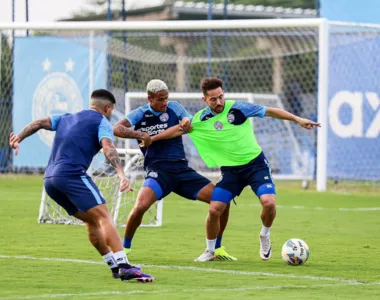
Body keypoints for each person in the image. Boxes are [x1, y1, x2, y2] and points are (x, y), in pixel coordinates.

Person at [154, 77, 320, 262]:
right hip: (231, 172)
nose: (219, 102)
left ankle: (264, 235)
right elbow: (178, 130)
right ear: (204, 100)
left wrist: (297, 119)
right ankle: (210, 251)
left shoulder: (238, 108)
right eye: (213, 99)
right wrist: (152, 139)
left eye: (221, 97)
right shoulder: (201, 119)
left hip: (256, 165)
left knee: (269, 203)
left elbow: (271, 112)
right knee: (215, 209)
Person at [9, 89, 154, 282]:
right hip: (71, 175)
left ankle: (113, 265)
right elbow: (108, 147)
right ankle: (125, 266)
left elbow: (38, 123)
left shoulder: (66, 118)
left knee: (92, 221)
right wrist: (121, 174)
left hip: (50, 181)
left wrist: (18, 138)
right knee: (104, 217)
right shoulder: (102, 121)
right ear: (108, 108)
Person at [113, 79, 237, 261]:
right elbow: (117, 128)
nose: (165, 103)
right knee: (140, 206)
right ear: (150, 99)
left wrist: (186, 121)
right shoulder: (139, 113)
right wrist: (140, 135)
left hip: (181, 170)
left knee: (223, 200)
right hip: (158, 172)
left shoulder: (175, 107)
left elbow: (187, 121)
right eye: (161, 99)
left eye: (166, 98)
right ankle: (124, 248)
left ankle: (215, 250)